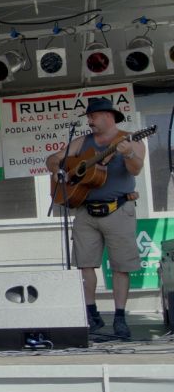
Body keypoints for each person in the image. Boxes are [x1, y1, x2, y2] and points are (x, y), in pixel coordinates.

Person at [46, 97, 144, 339]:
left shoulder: (130, 139)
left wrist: (129, 153)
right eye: (89, 117)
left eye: (93, 116)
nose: (89, 120)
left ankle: (120, 317)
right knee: (84, 264)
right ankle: (92, 314)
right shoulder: (83, 142)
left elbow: (136, 169)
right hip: (85, 211)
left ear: (108, 116)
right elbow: (53, 158)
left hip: (118, 209)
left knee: (121, 266)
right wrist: (58, 170)